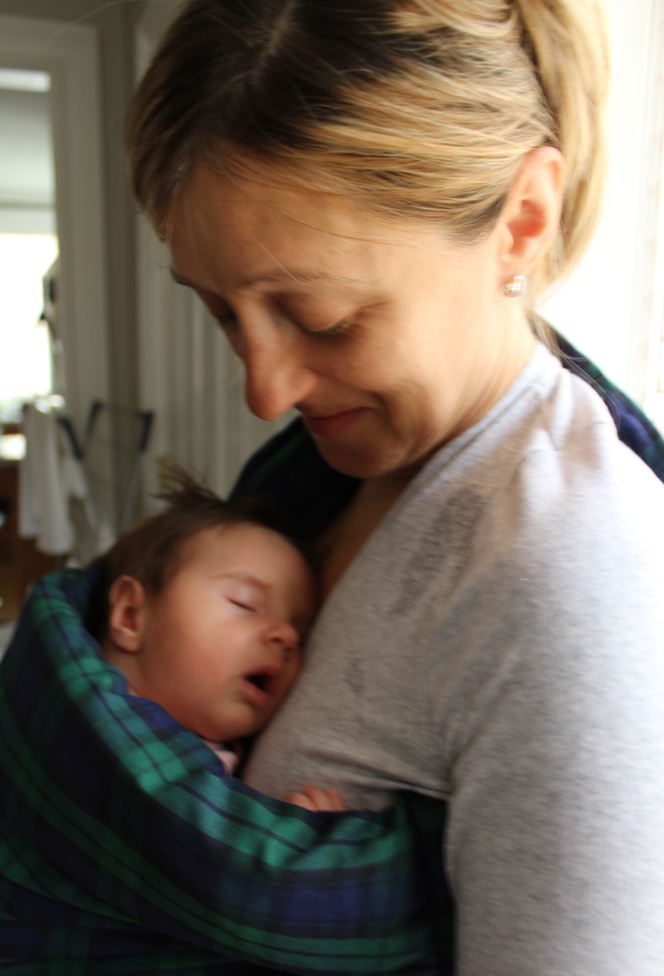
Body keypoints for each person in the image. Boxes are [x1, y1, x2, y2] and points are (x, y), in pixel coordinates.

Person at [1, 1, 662, 974]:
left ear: (520, 223)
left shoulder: (572, 581)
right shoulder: (319, 472)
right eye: (223, 312)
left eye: (325, 319)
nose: (263, 390)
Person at [93, 474, 344, 809]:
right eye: (245, 603)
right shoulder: (100, 730)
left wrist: (275, 833)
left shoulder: (207, 761)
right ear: (130, 615)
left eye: (301, 634)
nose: (286, 636)